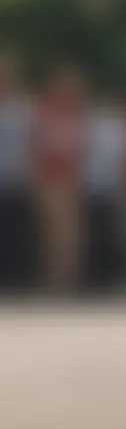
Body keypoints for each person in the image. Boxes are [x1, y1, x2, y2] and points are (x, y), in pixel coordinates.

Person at [33, 65, 86, 292]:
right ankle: (53, 278)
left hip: (70, 182)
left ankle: (65, 278)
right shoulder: (47, 114)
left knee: (70, 235)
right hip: (51, 181)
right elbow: (37, 148)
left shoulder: (74, 115)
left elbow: (79, 151)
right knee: (54, 234)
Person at [81, 94, 126, 292]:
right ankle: (93, 277)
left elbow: (124, 159)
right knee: (93, 235)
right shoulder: (88, 127)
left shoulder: (120, 128)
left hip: (112, 189)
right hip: (93, 188)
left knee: (110, 236)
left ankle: (107, 278)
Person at [0, 54, 36, 291]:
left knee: (14, 231)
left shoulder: (23, 107)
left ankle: (14, 277)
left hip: (16, 178)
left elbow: (33, 142)